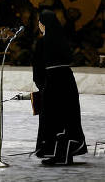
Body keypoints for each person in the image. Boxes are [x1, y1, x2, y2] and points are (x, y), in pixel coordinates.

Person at [32, 9, 87, 165]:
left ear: (43, 24)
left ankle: (55, 154)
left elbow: (38, 67)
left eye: (39, 22)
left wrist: (41, 86)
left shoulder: (42, 42)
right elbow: (70, 58)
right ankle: (65, 155)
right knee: (68, 117)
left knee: (52, 118)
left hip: (52, 82)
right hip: (68, 81)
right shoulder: (62, 39)